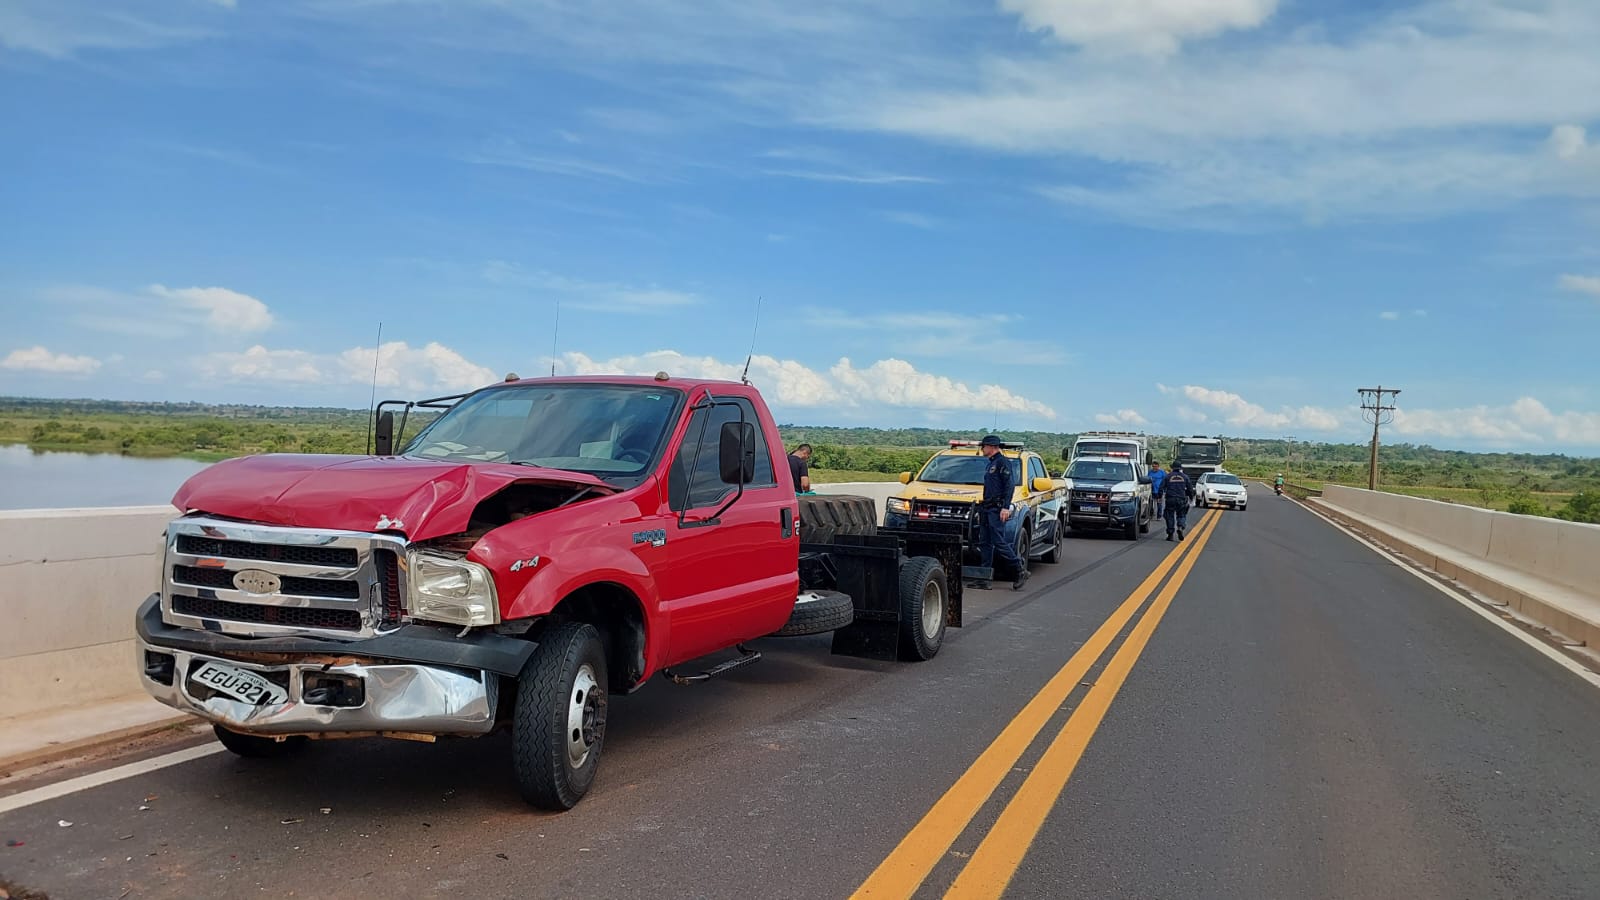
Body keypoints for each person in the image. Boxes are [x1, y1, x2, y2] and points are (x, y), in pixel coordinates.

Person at [974, 435, 1030, 591]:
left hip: (997, 509)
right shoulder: (991, 463)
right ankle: (984, 577)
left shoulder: (1002, 462)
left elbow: (1009, 486)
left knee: (998, 542)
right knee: (985, 543)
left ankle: (1019, 569)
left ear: (992, 447)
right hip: (987, 508)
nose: (982, 449)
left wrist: (1005, 507)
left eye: (984, 446)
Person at [1163, 465, 1193, 541]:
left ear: (1172, 468)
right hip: (1181, 499)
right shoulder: (1185, 477)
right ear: (1180, 468)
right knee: (1181, 514)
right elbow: (1190, 488)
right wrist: (1191, 497)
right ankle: (1180, 527)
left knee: (1169, 516)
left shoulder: (1168, 476)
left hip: (1170, 498)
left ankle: (1170, 534)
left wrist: (1159, 495)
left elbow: (1161, 487)